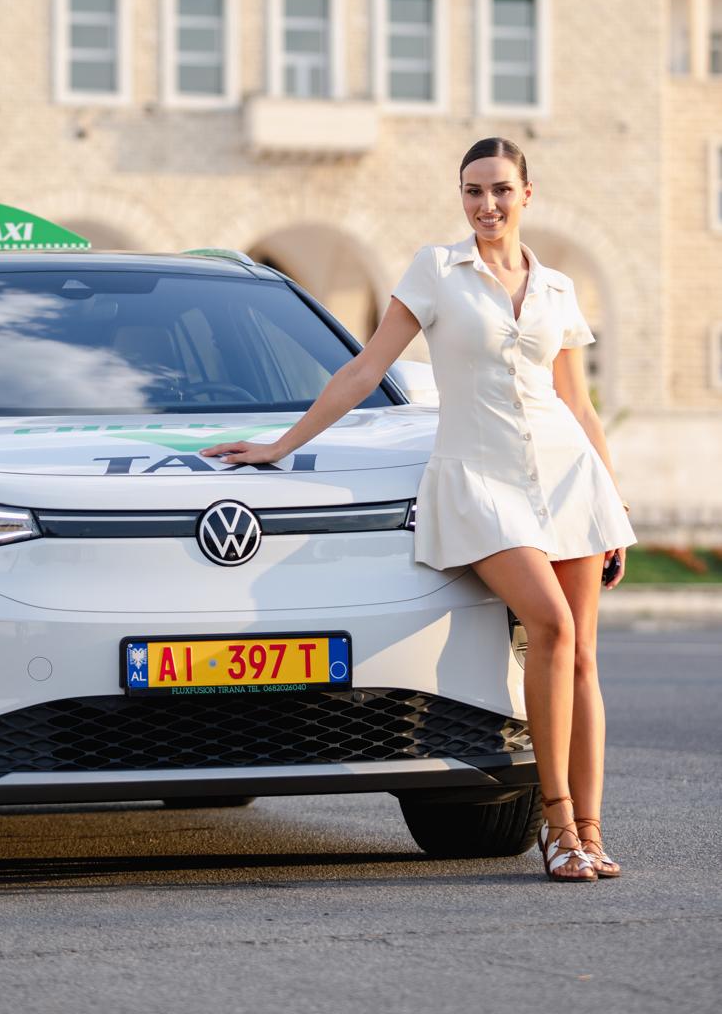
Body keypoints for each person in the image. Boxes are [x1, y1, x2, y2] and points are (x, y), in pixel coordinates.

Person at [201, 136, 635, 884]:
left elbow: (578, 403)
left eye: (500, 189)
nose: (487, 205)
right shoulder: (435, 271)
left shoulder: (556, 288)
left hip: (569, 478)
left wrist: (613, 495)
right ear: (460, 197)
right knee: (551, 628)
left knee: (585, 657)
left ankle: (592, 833)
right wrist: (281, 446)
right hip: (479, 481)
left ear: (527, 194)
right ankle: (556, 825)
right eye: (473, 191)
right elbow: (366, 367)